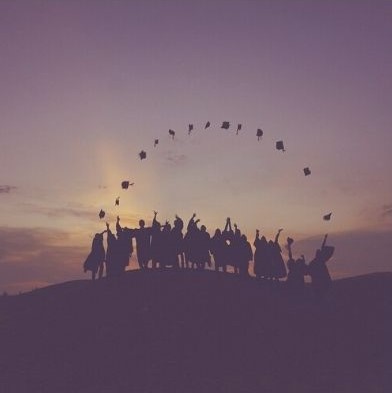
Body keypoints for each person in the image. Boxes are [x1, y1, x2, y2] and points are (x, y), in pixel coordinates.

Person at [307, 234, 335, 299]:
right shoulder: (318, 261)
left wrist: (325, 239)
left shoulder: (317, 261)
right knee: (320, 295)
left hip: (320, 281)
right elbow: (309, 270)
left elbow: (322, 247)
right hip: (319, 281)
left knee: (321, 295)